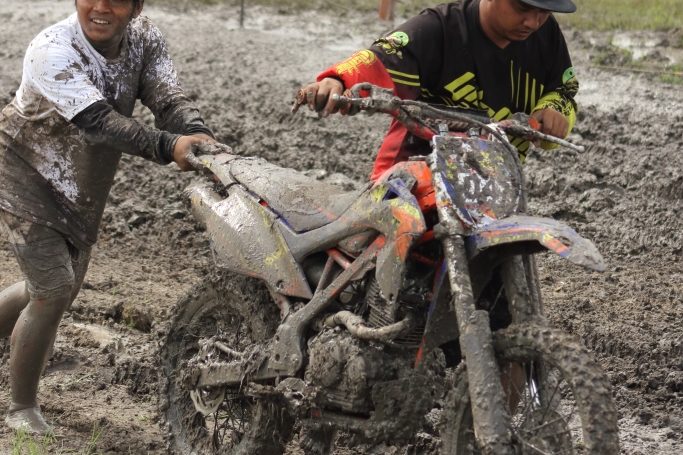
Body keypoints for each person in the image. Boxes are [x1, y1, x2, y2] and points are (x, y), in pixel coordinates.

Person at [0, 0, 217, 434]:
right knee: (52, 290)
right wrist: (169, 146)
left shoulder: (144, 37)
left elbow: (167, 98)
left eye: (116, 0)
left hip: (81, 183)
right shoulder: (52, 49)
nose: (100, 8)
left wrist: (198, 132)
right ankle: (21, 407)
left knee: (58, 290)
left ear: (136, 7)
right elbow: (98, 122)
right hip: (23, 172)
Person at [297, 0, 580, 180]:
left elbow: (563, 90)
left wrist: (555, 110)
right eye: (522, 8)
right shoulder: (439, 28)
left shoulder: (546, 36)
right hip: (412, 173)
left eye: (543, 12)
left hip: (495, 180)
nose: (532, 22)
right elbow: (381, 58)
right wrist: (337, 80)